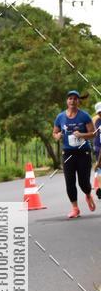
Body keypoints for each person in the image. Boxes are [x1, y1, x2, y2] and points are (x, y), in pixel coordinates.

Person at [53, 90, 96, 218]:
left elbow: (93, 134)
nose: (72, 101)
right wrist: (58, 136)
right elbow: (54, 133)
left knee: (83, 183)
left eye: (75, 99)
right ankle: (75, 208)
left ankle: (88, 194)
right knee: (70, 182)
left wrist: (82, 135)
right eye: (70, 98)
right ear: (67, 101)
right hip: (68, 153)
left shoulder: (84, 116)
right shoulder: (60, 117)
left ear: (78, 101)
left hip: (83, 152)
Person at [93, 100, 101, 199]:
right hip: (98, 148)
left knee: (99, 168)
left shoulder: (96, 120)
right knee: (99, 169)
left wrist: (98, 162)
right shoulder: (96, 121)